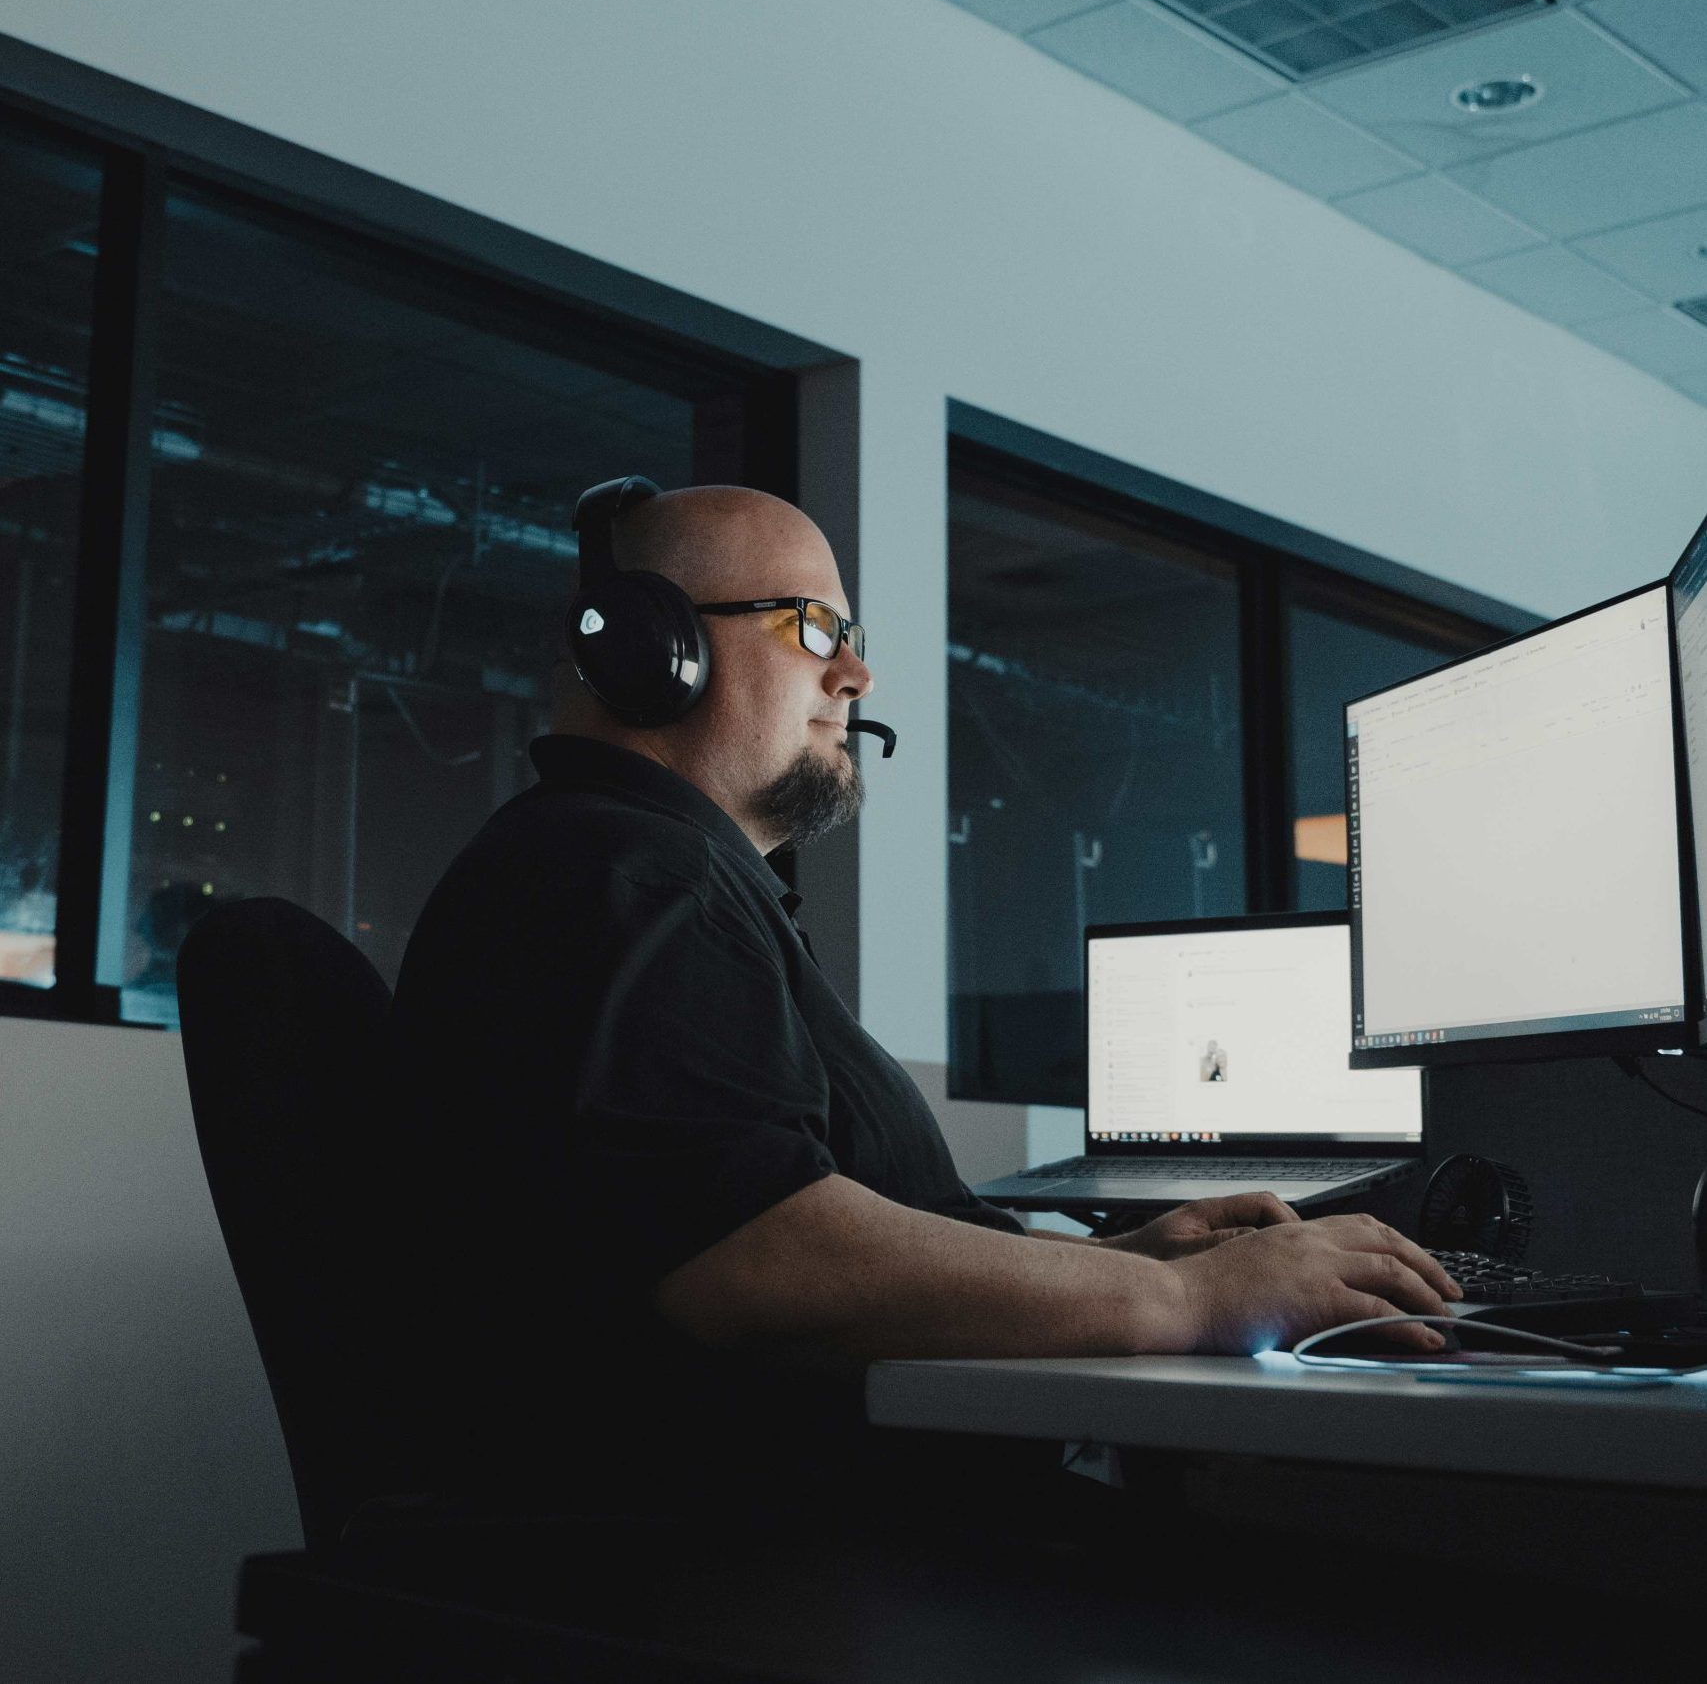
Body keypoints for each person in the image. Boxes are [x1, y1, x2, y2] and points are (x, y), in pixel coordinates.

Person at [387, 483, 1458, 1526]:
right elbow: (756, 1261)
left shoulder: (653, 878)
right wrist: (1191, 1301)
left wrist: (1118, 1260)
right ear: (655, 650)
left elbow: (778, 1219)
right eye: (814, 627)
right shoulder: (624, 875)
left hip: (799, 1527)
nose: (857, 671)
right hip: (745, 1557)